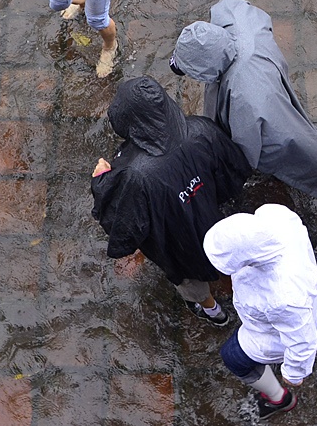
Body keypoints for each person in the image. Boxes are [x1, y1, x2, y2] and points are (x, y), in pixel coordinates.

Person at [90, 77, 252, 325]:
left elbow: (123, 224)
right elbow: (232, 170)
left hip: (180, 244)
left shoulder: (134, 174)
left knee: (191, 281)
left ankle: (214, 312)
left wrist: (102, 181)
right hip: (212, 219)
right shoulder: (200, 129)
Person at [172, 0, 317, 205]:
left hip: (270, 121)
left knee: (293, 153)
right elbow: (234, 6)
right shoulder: (236, 21)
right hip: (268, 68)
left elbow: (246, 148)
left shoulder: (243, 96)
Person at [203, 203, 317, 420]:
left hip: (276, 333)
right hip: (301, 300)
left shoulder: (284, 298)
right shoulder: (276, 215)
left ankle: (279, 398)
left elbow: (303, 340)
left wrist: (294, 373)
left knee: (233, 357)